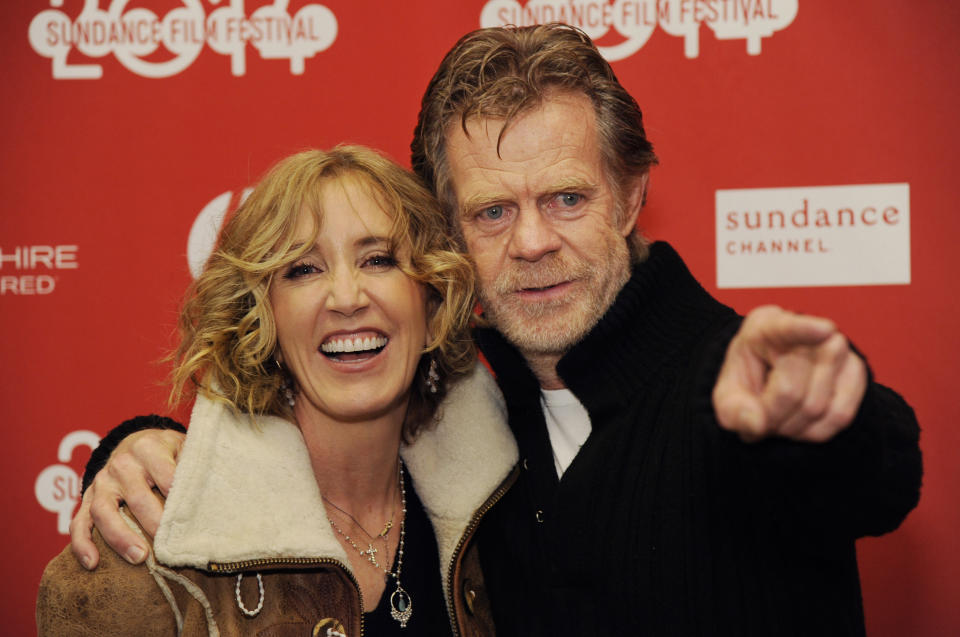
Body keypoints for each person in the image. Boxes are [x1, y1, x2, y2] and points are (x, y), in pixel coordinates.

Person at [68, 24, 922, 636]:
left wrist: (824, 418)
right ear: (447, 234)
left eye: (567, 198)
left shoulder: (735, 386)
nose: (533, 241)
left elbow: (874, 473)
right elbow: (303, 447)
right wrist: (139, 445)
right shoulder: (466, 404)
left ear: (630, 197)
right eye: (491, 210)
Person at [37, 146, 519, 636]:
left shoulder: (504, 507)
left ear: (432, 300)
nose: (348, 298)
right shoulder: (148, 556)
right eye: (303, 269)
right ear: (262, 320)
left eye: (377, 260)